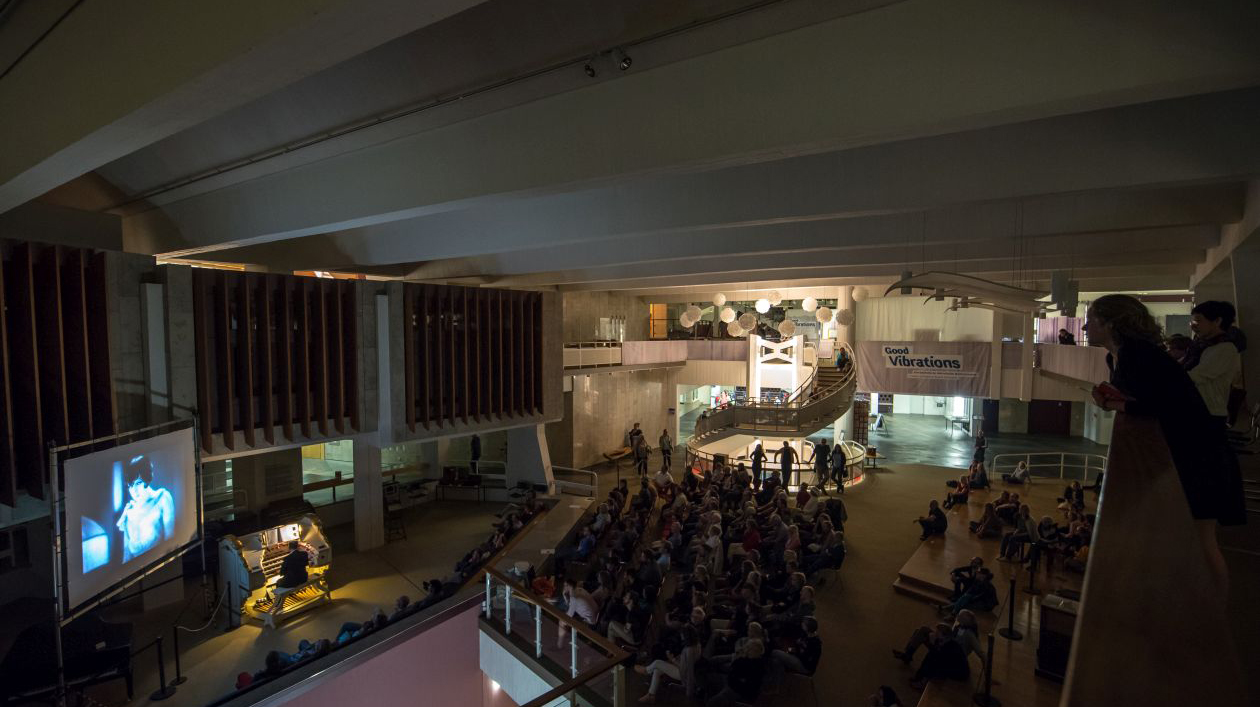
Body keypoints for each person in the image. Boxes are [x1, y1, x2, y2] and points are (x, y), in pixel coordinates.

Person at [1086, 294, 1245, 592]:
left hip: (1198, 454)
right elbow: (1141, 398)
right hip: (1180, 450)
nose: (1084, 327)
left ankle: (1215, 615)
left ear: (1111, 323)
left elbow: (1164, 405)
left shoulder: (1138, 354)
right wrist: (1112, 400)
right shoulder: (1119, 355)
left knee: (1202, 542)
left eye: (1091, 319)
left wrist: (1117, 406)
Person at [1186, 301, 1243, 427]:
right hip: (1200, 409)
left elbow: (1196, 377)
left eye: (1198, 321)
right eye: (1192, 322)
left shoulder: (1225, 348)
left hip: (1208, 412)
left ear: (1217, 321)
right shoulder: (1206, 346)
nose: (1193, 326)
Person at [116, 456, 176, 562]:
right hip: (136, 572)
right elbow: (126, 556)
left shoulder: (162, 498)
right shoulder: (129, 512)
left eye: (138, 483)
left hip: (161, 567)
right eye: (130, 486)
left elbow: (170, 542)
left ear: (147, 478)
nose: (134, 491)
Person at [635, 625, 701, 703]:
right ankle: (651, 695)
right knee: (657, 670)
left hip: (682, 674)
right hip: (682, 668)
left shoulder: (689, 650)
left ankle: (646, 670)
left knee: (657, 663)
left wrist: (672, 660)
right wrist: (676, 658)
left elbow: (685, 669)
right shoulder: (696, 644)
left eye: (682, 635)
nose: (681, 637)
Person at [705, 639, 765, 707]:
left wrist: (740, 657)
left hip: (737, 691)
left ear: (753, 650)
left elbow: (735, 673)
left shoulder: (751, 664)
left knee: (711, 703)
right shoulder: (755, 661)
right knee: (710, 678)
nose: (746, 649)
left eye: (748, 648)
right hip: (732, 684)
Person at [909, 624, 970, 690]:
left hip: (958, 672)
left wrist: (932, 645)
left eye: (937, 632)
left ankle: (923, 683)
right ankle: (919, 677)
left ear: (944, 635)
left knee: (932, 660)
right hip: (950, 664)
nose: (935, 633)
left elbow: (939, 660)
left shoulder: (951, 647)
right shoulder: (944, 640)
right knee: (930, 655)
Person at [266, 540, 309, 627]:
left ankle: (278, 605)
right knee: (284, 579)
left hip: (293, 581)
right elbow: (306, 563)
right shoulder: (304, 554)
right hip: (303, 578)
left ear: (289, 548)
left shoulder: (287, 559)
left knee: (278, 582)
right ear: (298, 547)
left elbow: (282, 573)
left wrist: (279, 570)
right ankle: (288, 596)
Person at [769, 617, 822, 686]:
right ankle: (775, 682)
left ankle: (775, 682)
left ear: (807, 628)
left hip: (805, 666)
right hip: (799, 657)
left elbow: (805, 658)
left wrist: (795, 652)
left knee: (774, 652)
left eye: (804, 624)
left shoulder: (815, 644)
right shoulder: (807, 634)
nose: (801, 624)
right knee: (776, 661)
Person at [557, 579, 599, 649]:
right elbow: (571, 605)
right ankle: (565, 634)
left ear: (568, 586)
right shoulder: (580, 589)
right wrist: (565, 597)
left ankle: (559, 645)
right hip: (595, 615)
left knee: (562, 621)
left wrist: (564, 597)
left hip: (590, 621)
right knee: (566, 612)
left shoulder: (574, 598)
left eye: (565, 586)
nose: (563, 588)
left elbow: (568, 616)